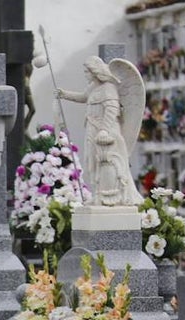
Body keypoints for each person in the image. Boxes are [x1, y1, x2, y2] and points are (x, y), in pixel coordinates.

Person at [57, 56, 143, 207]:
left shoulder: (109, 88)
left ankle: (113, 196)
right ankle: (97, 194)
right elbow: (83, 97)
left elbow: (112, 110)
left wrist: (104, 130)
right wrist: (64, 94)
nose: (85, 74)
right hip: (92, 128)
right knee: (92, 161)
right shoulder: (93, 88)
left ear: (95, 71)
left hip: (107, 132)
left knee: (108, 163)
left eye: (87, 71)